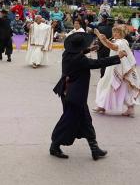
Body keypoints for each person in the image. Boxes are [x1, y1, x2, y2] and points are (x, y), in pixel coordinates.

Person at [51, 32, 127, 160]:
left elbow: (78, 53)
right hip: (74, 96)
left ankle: (94, 148)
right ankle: (54, 146)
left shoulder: (67, 54)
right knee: (68, 121)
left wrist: (89, 49)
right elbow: (97, 63)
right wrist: (118, 57)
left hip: (69, 93)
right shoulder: (81, 60)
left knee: (85, 121)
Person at [94, 26, 140, 117]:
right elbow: (108, 45)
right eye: (114, 32)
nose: (115, 34)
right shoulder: (117, 41)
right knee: (106, 85)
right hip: (114, 67)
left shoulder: (122, 42)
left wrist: (105, 39)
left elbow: (113, 47)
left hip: (121, 69)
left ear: (121, 34)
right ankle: (102, 106)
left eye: (117, 32)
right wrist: (99, 35)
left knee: (120, 89)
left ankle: (130, 108)